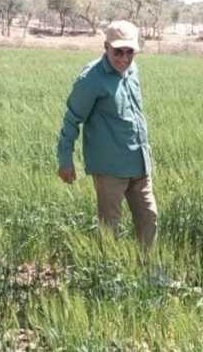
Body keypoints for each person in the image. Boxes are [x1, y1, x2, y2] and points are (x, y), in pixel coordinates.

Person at [56, 20, 157, 250]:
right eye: (117, 52)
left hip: (139, 162)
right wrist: (65, 160)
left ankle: (148, 272)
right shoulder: (91, 79)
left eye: (129, 52)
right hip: (110, 168)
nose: (123, 58)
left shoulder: (132, 70)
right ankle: (109, 274)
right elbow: (72, 119)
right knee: (110, 227)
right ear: (105, 47)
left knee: (149, 218)